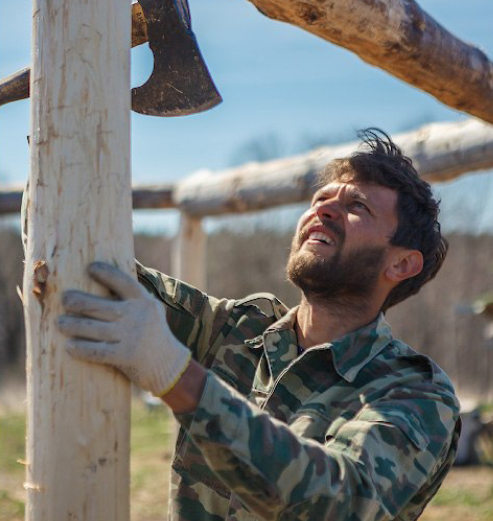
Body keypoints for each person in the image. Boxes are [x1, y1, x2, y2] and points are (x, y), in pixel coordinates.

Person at [57, 129, 461, 521]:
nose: (323, 209)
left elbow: (340, 504)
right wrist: (58, 157)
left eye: (358, 206)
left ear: (401, 263)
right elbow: (91, 268)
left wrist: (176, 377)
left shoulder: (417, 393)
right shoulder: (231, 330)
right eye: (320, 198)